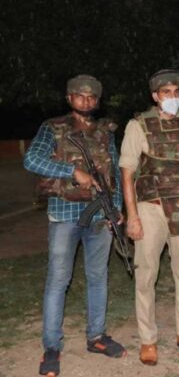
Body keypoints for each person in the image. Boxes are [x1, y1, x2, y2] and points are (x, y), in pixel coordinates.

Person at [25, 74, 126, 377]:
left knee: (98, 277)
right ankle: (51, 347)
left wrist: (116, 209)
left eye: (92, 96)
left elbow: (114, 172)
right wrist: (72, 172)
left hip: (99, 216)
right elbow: (32, 160)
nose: (86, 100)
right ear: (70, 98)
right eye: (80, 95)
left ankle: (96, 336)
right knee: (59, 280)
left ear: (97, 100)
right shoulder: (52, 128)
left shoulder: (105, 132)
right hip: (64, 214)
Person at [119, 69, 179, 366]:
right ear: (155, 96)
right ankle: (148, 339)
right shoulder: (138, 125)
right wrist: (132, 216)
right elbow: (127, 173)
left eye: (177, 92)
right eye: (166, 93)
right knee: (146, 276)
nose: (172, 97)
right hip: (150, 208)